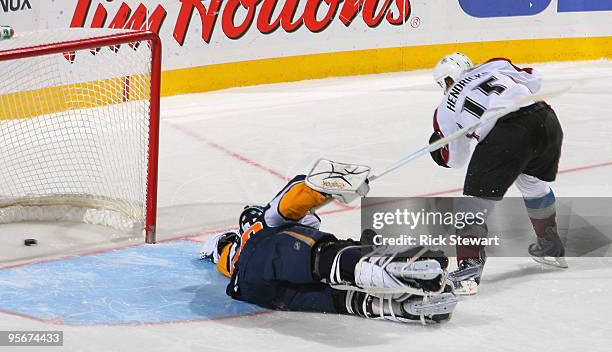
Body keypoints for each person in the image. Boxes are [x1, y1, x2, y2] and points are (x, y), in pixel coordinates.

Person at [200, 173, 457, 323]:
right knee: (323, 254)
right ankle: (381, 266)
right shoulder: (266, 225)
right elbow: (288, 203)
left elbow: (212, 248)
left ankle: (395, 307)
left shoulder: (230, 248)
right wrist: (326, 187)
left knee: (333, 297)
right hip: (269, 259)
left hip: (253, 291)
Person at [429, 53, 567, 294]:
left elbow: (456, 159)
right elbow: (534, 79)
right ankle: (551, 247)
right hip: (546, 120)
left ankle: (468, 272)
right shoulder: (495, 65)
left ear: (448, 80)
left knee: (471, 207)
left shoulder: (444, 109)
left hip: (508, 135)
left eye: (444, 83)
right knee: (532, 183)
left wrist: (438, 150)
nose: (445, 89)